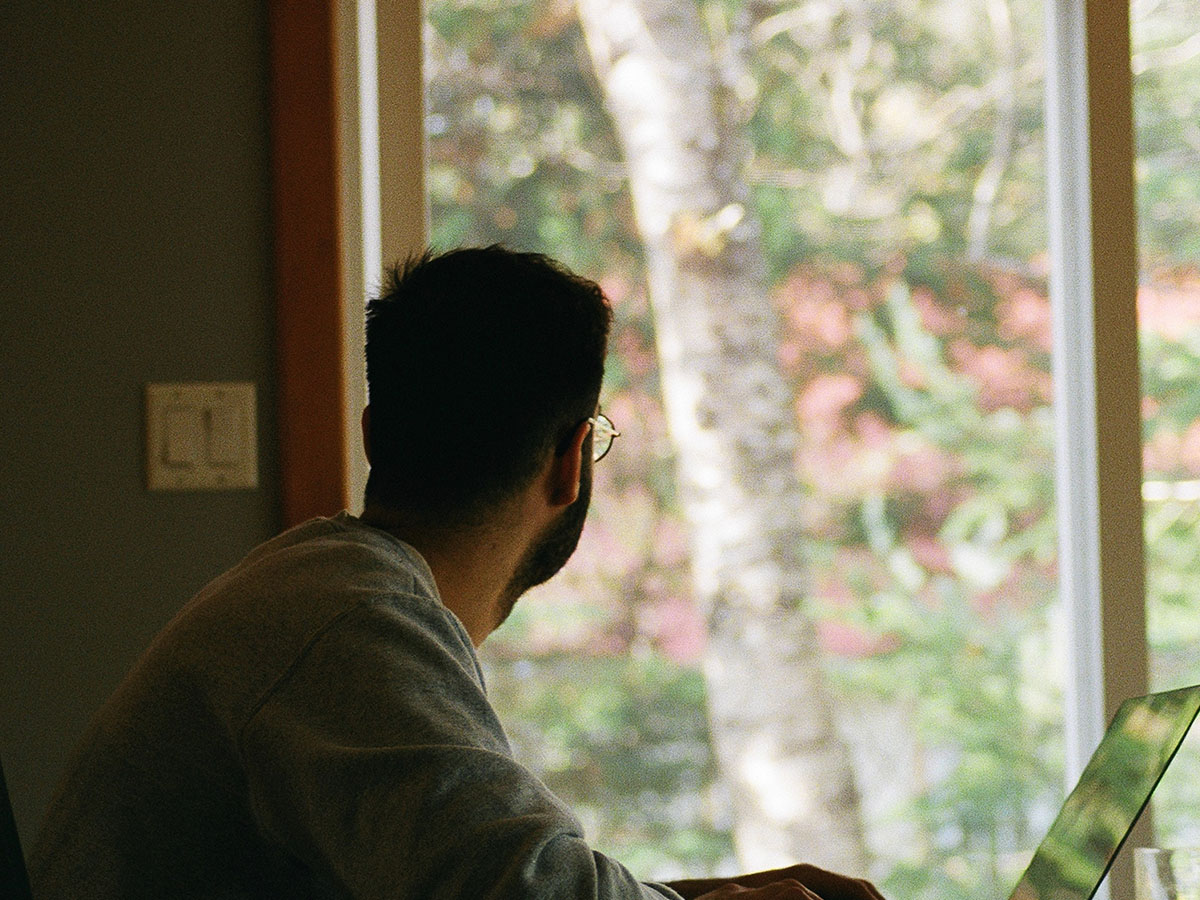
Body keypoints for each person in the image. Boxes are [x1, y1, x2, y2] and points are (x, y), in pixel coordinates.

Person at [29, 246, 886, 899]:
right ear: (572, 462)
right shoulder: (348, 619)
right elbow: (515, 888)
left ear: (373, 435)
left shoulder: (322, 592)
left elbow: (480, 871)